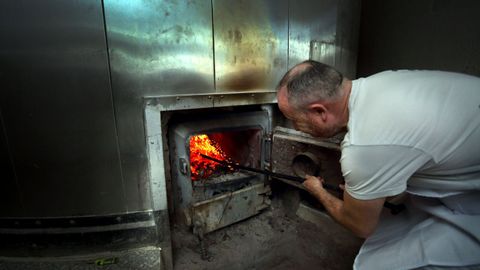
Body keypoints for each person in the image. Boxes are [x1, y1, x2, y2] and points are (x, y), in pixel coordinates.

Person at [276, 60, 480, 269]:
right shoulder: (379, 83)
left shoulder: (364, 145)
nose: (295, 128)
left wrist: (317, 191)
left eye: (294, 119)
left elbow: (360, 226)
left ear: (320, 112)